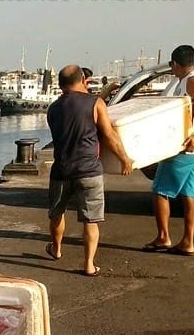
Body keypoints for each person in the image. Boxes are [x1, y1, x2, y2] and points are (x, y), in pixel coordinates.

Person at [45, 64, 133, 276]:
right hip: (89, 170)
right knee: (91, 220)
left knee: (57, 213)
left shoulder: (53, 109)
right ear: (83, 78)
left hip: (61, 170)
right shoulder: (96, 103)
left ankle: (56, 249)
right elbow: (110, 135)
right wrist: (125, 159)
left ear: (60, 84)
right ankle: (89, 265)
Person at [143, 44, 194, 256]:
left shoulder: (192, 81)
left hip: (189, 149)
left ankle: (163, 237)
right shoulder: (189, 80)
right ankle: (187, 242)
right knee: (190, 195)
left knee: (160, 191)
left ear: (175, 64)